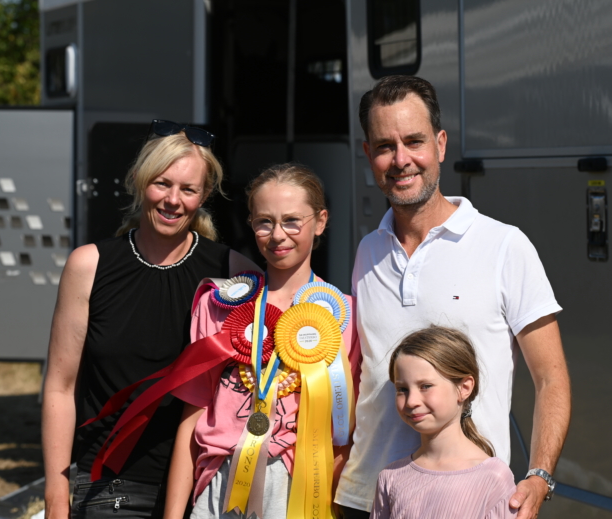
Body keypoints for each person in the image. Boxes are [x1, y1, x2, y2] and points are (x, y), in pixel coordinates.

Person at [335, 75, 572, 519]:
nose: (401, 160)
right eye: (385, 146)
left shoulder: (504, 246)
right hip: (366, 498)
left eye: (414, 141)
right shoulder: (368, 250)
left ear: (440, 145)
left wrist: (539, 476)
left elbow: (551, 378)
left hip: (466, 501)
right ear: (368, 155)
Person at [42, 120, 257, 519]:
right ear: (141, 182)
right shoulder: (88, 266)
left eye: (188, 189)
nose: (173, 200)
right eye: (162, 184)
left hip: (204, 484)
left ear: (204, 195)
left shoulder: (235, 275)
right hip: (109, 484)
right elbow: (60, 385)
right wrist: (56, 494)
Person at [163, 163, 361, 519]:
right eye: (265, 222)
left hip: (300, 491)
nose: (278, 235)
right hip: (219, 486)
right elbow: (191, 417)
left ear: (320, 221)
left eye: (292, 220)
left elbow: (343, 433)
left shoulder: (346, 316)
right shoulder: (217, 305)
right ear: (251, 223)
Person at [371, 326, 517, 519]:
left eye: (426, 386)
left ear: (464, 388)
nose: (412, 401)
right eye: (402, 389)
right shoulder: (390, 477)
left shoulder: (493, 478)